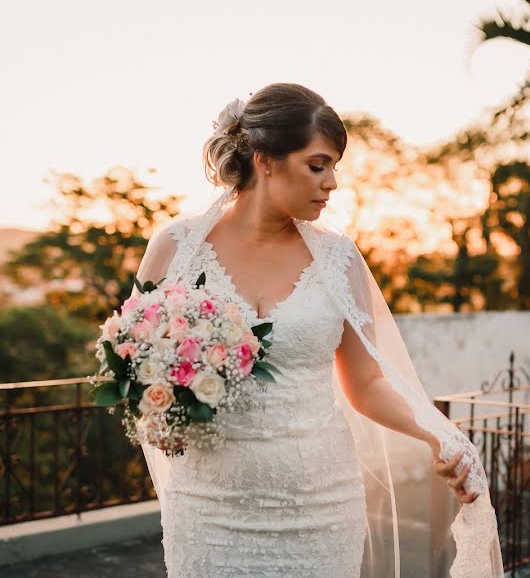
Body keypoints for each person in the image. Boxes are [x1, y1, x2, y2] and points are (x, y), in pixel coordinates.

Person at [131, 83, 503, 577]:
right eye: (317, 165)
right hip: (209, 508)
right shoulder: (176, 248)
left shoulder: (338, 258)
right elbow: (138, 366)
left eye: (333, 167)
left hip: (320, 510)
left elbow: (366, 383)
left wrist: (438, 435)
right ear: (264, 160)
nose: (331, 183)